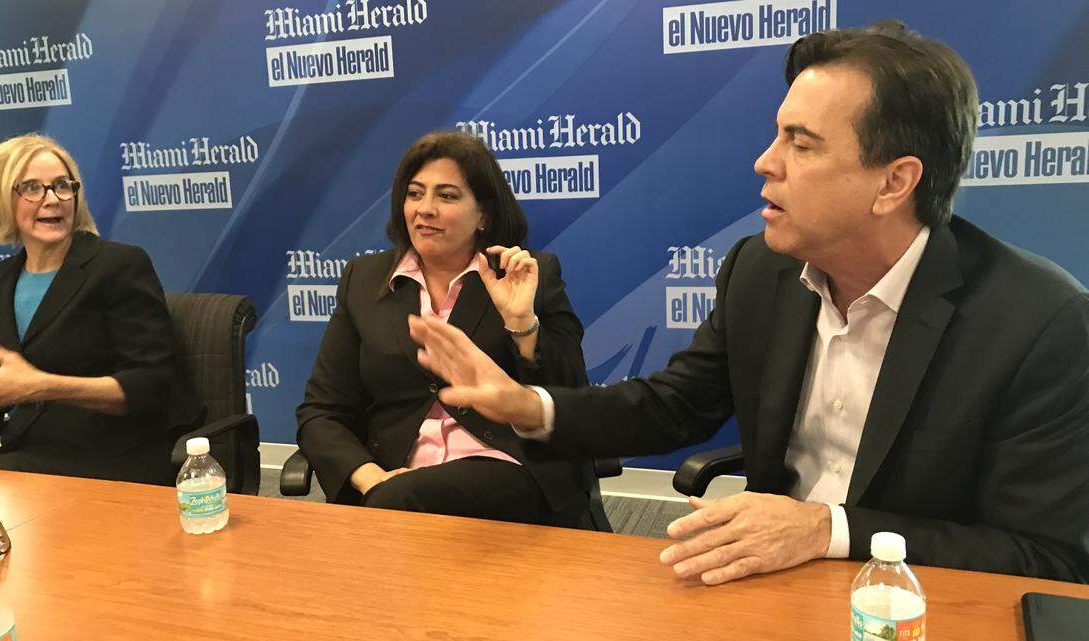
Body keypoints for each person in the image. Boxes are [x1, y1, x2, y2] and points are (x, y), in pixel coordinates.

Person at [408, 22, 1089, 584]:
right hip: (767, 581)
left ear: (893, 183)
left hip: (914, 603)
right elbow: (674, 404)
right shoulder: (759, 272)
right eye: (777, 133)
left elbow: (1046, 555)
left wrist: (829, 528)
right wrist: (528, 404)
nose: (766, 161)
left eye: (801, 142)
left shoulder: (1040, 322)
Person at [295, 131, 597, 528]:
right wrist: (371, 478)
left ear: (484, 214)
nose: (425, 209)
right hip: (392, 482)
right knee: (399, 512)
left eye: (447, 196)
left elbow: (569, 398)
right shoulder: (364, 281)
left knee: (389, 519)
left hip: (509, 469)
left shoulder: (526, 274)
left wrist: (521, 324)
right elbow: (321, 411)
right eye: (415, 194)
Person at [0, 134, 200, 485]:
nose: (52, 200)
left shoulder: (118, 265)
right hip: (31, 454)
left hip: (119, 457)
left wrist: (41, 386)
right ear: (0, 198)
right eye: (33, 188)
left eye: (62, 186)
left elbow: (153, 385)